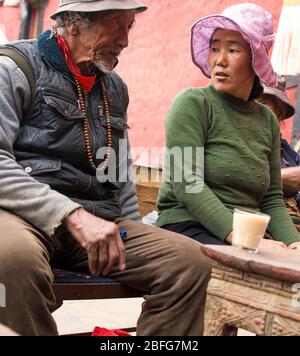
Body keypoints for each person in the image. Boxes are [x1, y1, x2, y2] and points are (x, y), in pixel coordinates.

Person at [0, 0, 213, 336]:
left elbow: (117, 168)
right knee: (11, 259)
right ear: (73, 23)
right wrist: (71, 214)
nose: (125, 39)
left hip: (97, 222)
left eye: (128, 26)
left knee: (191, 262)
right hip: (24, 217)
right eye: (115, 23)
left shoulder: (114, 87)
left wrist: (132, 224)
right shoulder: (14, 67)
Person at [156, 3, 300, 250]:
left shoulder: (268, 122)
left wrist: (295, 244)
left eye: (233, 50)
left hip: (249, 238)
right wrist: (244, 238)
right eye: (214, 49)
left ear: (255, 59)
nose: (219, 61)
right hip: (188, 226)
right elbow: (187, 183)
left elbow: (272, 200)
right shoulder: (193, 103)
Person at [257, 81, 300, 226]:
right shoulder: (236, 141)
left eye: (265, 103)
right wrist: (280, 178)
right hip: (254, 220)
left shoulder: (285, 150)